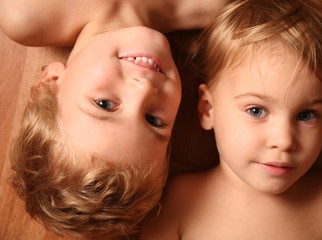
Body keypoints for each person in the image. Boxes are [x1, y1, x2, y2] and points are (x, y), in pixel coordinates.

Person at [0, 0, 235, 239]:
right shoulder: (220, 9)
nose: (143, 90)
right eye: (153, 120)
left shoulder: (26, 13)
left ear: (51, 81)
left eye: (104, 104)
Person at [139, 0, 322, 239]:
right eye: (256, 111)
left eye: (306, 115)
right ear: (208, 109)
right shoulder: (177, 202)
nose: (284, 140)